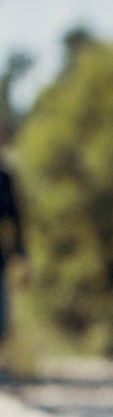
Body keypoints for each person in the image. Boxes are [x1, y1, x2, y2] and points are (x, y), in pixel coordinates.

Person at [0, 137, 27, 350]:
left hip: (0, 258)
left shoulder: (4, 179)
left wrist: (22, 257)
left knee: (2, 318)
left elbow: (16, 220)